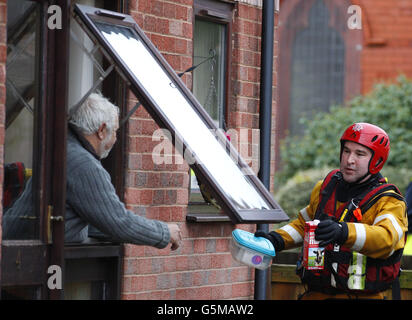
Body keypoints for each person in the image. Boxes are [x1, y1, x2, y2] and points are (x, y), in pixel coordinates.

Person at [3, 92, 182, 251]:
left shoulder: (64, 148)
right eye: (116, 132)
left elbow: (97, 219)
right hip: (26, 263)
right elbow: (119, 222)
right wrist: (165, 232)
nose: (116, 139)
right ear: (102, 130)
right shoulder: (83, 164)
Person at [257, 122, 408, 299]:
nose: (349, 160)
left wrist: (343, 232)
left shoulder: (388, 200)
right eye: (346, 151)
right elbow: (304, 225)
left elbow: (387, 239)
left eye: (360, 154)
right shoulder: (326, 188)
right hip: (315, 294)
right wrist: (276, 240)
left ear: (377, 161)